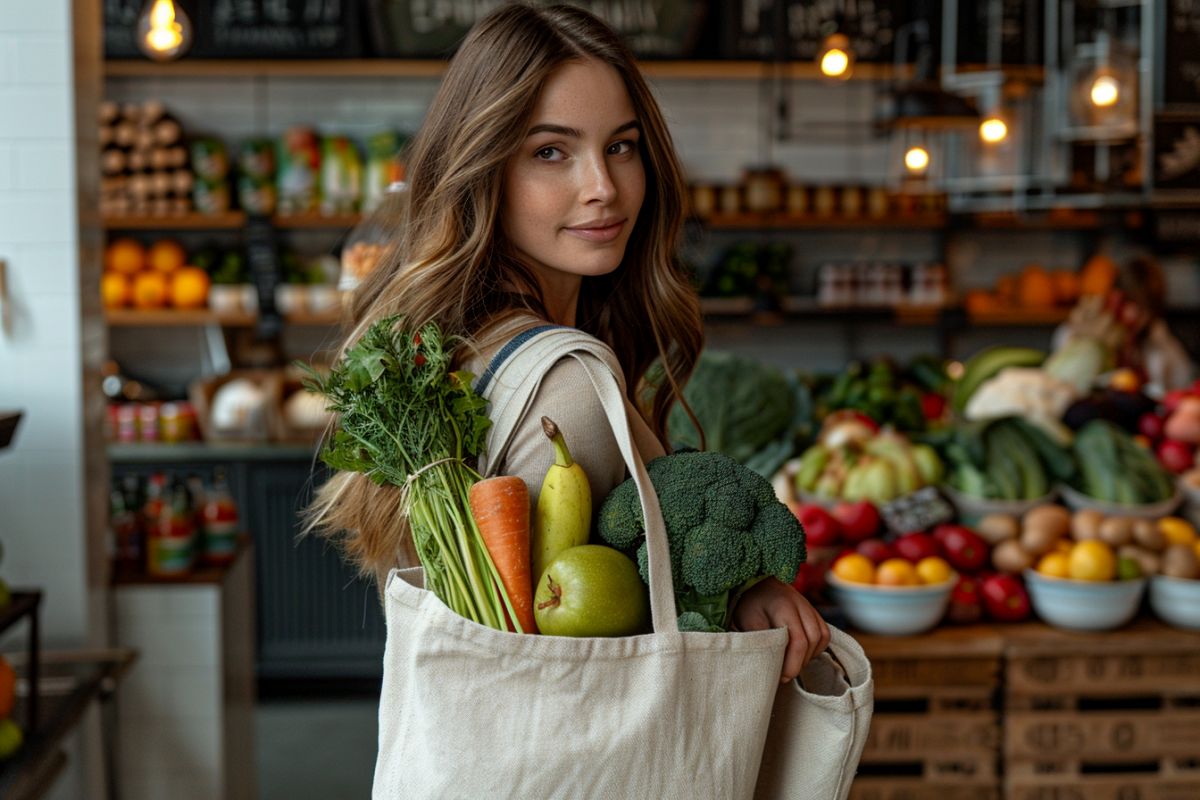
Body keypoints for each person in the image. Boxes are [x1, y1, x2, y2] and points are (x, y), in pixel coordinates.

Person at [307, 2, 829, 681]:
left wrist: (742, 588)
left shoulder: (458, 344)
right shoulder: (566, 385)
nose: (604, 188)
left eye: (621, 146)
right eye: (550, 152)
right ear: (482, 168)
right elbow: (574, 662)